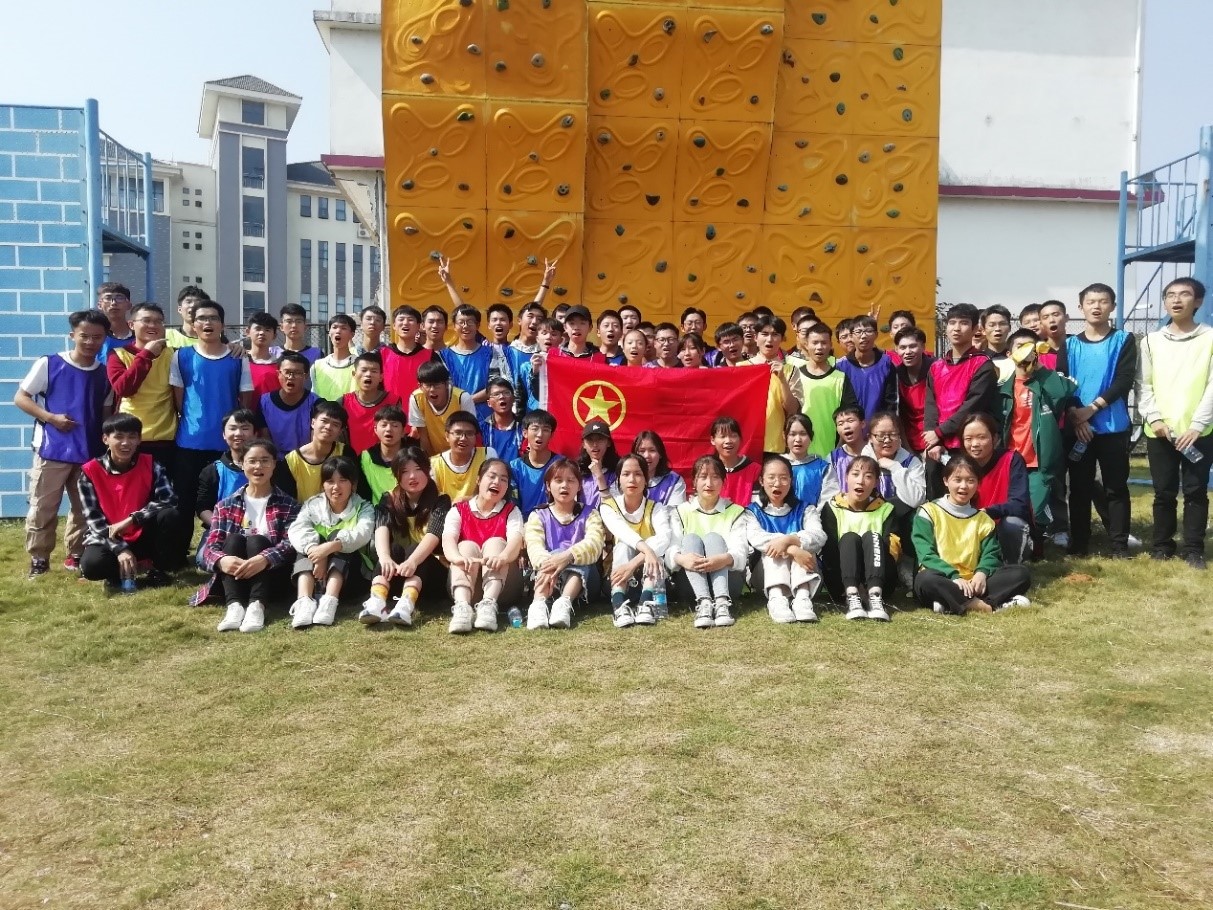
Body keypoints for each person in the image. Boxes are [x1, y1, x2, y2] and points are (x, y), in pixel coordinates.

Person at [17, 310, 113, 577]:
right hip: (52, 450)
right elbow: (21, 397)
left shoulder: (104, 373)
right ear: (73, 335)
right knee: (43, 507)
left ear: (105, 338)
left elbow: (106, 413)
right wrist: (51, 418)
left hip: (89, 452)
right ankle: (39, 558)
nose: (90, 342)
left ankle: (76, 554)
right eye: (85, 336)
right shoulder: (49, 363)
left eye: (97, 337)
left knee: (83, 508)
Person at [1138, 276, 1213, 568]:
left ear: (1198, 301)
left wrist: (1197, 425)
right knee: (1163, 493)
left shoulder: (1209, 338)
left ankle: (1193, 548)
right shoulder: (1151, 341)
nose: (1176, 300)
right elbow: (1143, 385)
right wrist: (1155, 419)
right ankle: (1162, 546)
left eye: (1184, 294)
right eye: (1170, 295)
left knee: (1196, 492)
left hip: (1198, 432)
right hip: (1160, 432)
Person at [170, 299, 254, 553]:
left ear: (222, 324)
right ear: (193, 324)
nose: (208, 323)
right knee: (185, 499)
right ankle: (178, 551)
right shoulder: (181, 356)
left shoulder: (238, 358)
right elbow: (178, 399)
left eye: (213, 318)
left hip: (225, 445)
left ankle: (224, 547)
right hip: (189, 442)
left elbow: (245, 400)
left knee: (227, 500)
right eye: (202, 318)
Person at [193, 438, 301, 631]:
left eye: (265, 460)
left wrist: (264, 559)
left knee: (257, 541)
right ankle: (234, 606)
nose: (258, 466)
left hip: (271, 578)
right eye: (252, 461)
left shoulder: (289, 504)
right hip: (235, 577)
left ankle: (257, 606)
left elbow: (290, 543)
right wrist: (222, 561)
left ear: (274, 464)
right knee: (234, 540)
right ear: (242, 464)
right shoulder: (225, 506)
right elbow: (211, 546)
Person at [1064, 283, 1136, 558]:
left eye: (1103, 301)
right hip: (1079, 428)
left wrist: (1092, 409)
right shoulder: (1069, 345)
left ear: (1112, 307)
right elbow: (1062, 383)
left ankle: (1119, 545)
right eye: (1091, 301)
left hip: (1113, 427)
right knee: (1079, 488)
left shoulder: (1123, 340)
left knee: (1115, 487)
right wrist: (1077, 417)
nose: (1096, 306)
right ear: (1081, 307)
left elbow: (1123, 380)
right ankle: (1080, 542)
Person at [911, 453, 1032, 615]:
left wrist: (981, 574)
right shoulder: (928, 512)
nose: (964, 486)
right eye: (957, 480)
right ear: (946, 481)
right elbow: (925, 554)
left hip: (974, 581)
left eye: (970, 480)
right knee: (925, 579)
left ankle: (951, 602)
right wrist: (954, 577)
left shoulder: (983, 519)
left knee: (1020, 574)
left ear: (977, 483)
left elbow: (991, 554)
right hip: (943, 577)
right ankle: (985, 604)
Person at [77, 414, 181, 591]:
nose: (126, 443)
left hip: (143, 532)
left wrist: (133, 519)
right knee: (92, 566)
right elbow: (95, 521)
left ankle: (156, 569)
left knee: (170, 515)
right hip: (108, 536)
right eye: (119, 437)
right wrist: (120, 548)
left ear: (139, 440)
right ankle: (119, 571)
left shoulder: (151, 464)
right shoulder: (89, 472)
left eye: (132, 437)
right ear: (105, 439)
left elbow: (169, 499)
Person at [359, 447, 451, 627]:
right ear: (397, 475)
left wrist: (413, 561)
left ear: (427, 471)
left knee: (415, 548)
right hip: (400, 572)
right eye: (405, 471)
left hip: (431, 574)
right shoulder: (389, 498)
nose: (412, 476)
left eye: (418, 469)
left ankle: (405, 606)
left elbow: (433, 535)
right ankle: (376, 602)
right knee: (391, 550)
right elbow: (381, 527)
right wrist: (384, 558)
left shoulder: (441, 500)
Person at [998, 329, 1074, 539]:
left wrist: (1038, 367)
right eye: (1020, 347)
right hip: (1011, 460)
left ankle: (1044, 529)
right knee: (1012, 508)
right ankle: (1025, 542)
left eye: (1030, 347)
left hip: (1038, 461)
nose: (1025, 352)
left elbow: (1063, 392)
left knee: (1035, 508)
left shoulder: (1045, 382)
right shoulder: (1002, 389)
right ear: (1009, 354)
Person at [286, 455, 375, 629]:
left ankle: (329, 601)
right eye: (330, 481)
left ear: (353, 484)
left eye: (343, 480)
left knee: (340, 538)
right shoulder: (312, 505)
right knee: (307, 542)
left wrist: (330, 547)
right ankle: (305, 601)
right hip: (316, 573)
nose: (336, 487)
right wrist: (316, 551)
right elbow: (297, 529)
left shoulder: (364, 507)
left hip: (352, 578)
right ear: (323, 485)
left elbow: (362, 534)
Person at [441, 458, 525, 633]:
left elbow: (515, 541)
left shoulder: (512, 511)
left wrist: (502, 557)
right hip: (466, 584)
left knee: (496, 543)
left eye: (503, 479)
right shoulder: (458, 510)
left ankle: (489, 606)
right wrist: (457, 558)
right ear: (479, 480)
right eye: (492, 476)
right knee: (465, 546)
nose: (497, 482)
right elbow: (448, 540)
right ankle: (462, 608)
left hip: (503, 588)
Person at [667, 454, 750, 629]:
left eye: (715, 477)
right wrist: (682, 559)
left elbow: (741, 552)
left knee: (713, 538)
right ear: (694, 482)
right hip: (691, 583)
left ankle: (721, 604)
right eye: (703, 477)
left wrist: (722, 559)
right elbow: (671, 549)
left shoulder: (736, 512)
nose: (709, 483)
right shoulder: (680, 512)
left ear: (723, 481)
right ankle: (703, 603)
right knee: (690, 539)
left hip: (728, 583)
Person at [924, 303, 999, 491]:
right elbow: (930, 406)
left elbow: (972, 406)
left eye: (964, 323)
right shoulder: (936, 367)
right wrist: (934, 440)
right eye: (952, 323)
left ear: (975, 329)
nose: (956, 328)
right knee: (936, 497)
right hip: (937, 446)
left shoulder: (982, 364)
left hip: (968, 443)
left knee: (968, 494)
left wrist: (939, 433)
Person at [524, 460, 606, 630]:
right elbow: (534, 547)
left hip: (585, 582)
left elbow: (595, 544)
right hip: (549, 579)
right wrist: (554, 562)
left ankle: (564, 604)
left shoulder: (591, 514)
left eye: (570, 480)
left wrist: (567, 556)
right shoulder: (538, 515)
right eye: (558, 480)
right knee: (557, 553)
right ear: (548, 486)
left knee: (578, 556)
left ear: (579, 486)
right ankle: (538, 605)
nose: (564, 486)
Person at [747, 454, 826, 623]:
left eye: (783, 478)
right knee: (772, 549)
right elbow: (756, 538)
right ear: (761, 481)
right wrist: (791, 547)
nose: (777, 483)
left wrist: (789, 541)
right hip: (764, 578)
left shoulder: (806, 509)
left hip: (807, 575)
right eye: (771, 477)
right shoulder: (752, 511)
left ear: (791, 481)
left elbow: (819, 536)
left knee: (806, 547)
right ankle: (777, 599)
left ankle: (803, 599)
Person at [820, 456, 898, 621]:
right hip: (841, 581)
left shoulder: (886, 509)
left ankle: (875, 597)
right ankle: (852, 596)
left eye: (868, 476)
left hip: (880, 577)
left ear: (876, 482)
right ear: (846, 477)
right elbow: (829, 551)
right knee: (849, 538)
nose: (860, 481)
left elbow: (892, 550)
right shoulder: (832, 507)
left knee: (872, 536)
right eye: (855, 474)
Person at [600, 453, 671, 627]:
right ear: (618, 480)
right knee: (623, 546)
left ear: (646, 480)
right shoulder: (608, 507)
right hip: (618, 575)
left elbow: (664, 538)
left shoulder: (657, 508)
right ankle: (619, 605)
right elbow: (623, 532)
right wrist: (647, 551)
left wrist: (635, 562)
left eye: (638, 474)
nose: (632, 479)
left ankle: (646, 603)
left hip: (651, 579)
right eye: (626, 474)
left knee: (655, 551)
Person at [107, 302, 177, 473]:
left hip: (165, 437)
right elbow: (124, 389)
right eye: (146, 320)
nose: (153, 325)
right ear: (131, 325)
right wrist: (146, 355)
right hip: (129, 437)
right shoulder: (118, 354)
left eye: (158, 321)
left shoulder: (174, 354)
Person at [960, 413, 1033, 565]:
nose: (974, 444)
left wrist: (987, 512)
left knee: (1011, 524)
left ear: (995, 438)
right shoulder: (959, 467)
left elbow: (1020, 505)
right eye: (968, 439)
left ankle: (1012, 566)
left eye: (981, 437)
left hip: (1005, 529)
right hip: (976, 531)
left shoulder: (1012, 460)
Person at [195, 408, 261, 564]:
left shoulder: (267, 467)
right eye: (232, 428)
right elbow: (203, 508)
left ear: (255, 433)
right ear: (224, 434)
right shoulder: (212, 470)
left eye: (245, 428)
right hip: (221, 530)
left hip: (260, 530)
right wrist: (223, 526)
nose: (238, 433)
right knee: (203, 559)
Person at [792, 321, 858, 458]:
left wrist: (839, 449)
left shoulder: (840, 378)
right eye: (815, 343)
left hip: (832, 454)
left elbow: (849, 414)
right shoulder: (795, 375)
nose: (819, 347)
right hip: (800, 455)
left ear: (830, 345)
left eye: (823, 343)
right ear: (806, 344)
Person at [745, 315, 801, 453]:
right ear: (755, 337)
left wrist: (782, 379)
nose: (769, 339)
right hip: (747, 442)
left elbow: (793, 410)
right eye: (764, 334)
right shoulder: (742, 368)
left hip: (777, 444)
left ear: (782, 339)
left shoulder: (790, 370)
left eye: (775, 334)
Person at [283, 400, 348, 502]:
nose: (328, 427)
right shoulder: (291, 461)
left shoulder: (345, 453)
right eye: (324, 421)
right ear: (313, 423)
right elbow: (287, 500)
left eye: (335, 424)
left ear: (340, 431)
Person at [407, 360, 476, 455]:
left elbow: (469, 434)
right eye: (428, 385)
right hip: (435, 457)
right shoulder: (416, 398)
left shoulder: (462, 398)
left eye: (437, 385)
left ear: (447, 384)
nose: (432, 389)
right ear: (420, 386)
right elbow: (423, 437)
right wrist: (431, 461)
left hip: (462, 454)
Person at [836, 314, 898, 420]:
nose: (863, 336)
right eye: (858, 332)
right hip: (851, 427)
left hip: (879, 426)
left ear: (876, 335)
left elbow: (891, 402)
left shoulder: (886, 364)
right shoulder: (841, 367)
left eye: (868, 331)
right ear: (851, 336)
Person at [440, 302, 496, 419]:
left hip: (485, 417)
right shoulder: (444, 355)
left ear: (478, 325)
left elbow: (495, 385)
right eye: (461, 322)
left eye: (470, 322)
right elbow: (443, 388)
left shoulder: (490, 353)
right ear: (454, 326)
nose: (465, 326)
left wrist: (468, 400)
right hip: (454, 415)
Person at [260, 353, 320, 457]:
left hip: (306, 459)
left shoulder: (316, 403)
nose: (291, 377)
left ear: (305, 376)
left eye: (297, 373)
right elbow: (265, 439)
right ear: (278, 374)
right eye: (287, 372)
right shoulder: (264, 402)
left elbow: (316, 442)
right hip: (275, 460)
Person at [341, 352, 401, 455]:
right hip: (352, 460)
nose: (368, 374)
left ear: (381, 377)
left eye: (374, 371)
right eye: (364, 370)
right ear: (354, 374)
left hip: (383, 460)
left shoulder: (393, 401)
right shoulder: (344, 402)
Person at [432, 410, 496, 502]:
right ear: (447, 436)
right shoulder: (434, 464)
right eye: (458, 433)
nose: (463, 438)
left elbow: (494, 491)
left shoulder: (487, 455)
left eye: (469, 433)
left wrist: (468, 501)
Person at [509, 409, 563, 518]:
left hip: (553, 522)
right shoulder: (515, 467)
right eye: (535, 429)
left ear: (552, 435)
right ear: (525, 433)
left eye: (546, 430)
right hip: (522, 523)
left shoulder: (561, 464)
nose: (540, 434)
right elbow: (512, 502)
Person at [380, 304, 438, 404]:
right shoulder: (382, 354)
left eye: (410, 320)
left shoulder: (430, 356)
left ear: (419, 326)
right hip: (389, 412)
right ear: (394, 326)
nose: (405, 323)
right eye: (401, 319)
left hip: (421, 411)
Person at [357, 405, 407, 507]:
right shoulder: (364, 458)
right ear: (375, 429)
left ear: (403, 431)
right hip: (376, 513)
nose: (389, 429)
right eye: (384, 425)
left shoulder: (413, 457)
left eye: (395, 425)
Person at [894, 326, 933, 455]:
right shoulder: (895, 374)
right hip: (908, 441)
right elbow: (899, 415)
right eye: (903, 347)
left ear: (923, 347)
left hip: (935, 438)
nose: (908, 352)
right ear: (896, 349)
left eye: (913, 346)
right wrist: (906, 448)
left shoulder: (936, 369)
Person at [818, 405, 868, 502]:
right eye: (840, 423)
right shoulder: (833, 458)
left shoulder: (876, 452)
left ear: (862, 423)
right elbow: (828, 492)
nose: (846, 426)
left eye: (850, 421)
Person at [711, 415, 760, 506]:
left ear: (740, 439)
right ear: (713, 440)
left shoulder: (755, 470)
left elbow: (757, 506)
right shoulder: (708, 469)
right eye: (722, 436)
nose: (728, 441)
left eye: (733, 436)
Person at [783, 413, 829, 507]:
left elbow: (828, 499)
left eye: (803, 434)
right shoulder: (775, 466)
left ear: (811, 436)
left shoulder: (823, 468)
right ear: (785, 436)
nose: (798, 439)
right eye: (792, 434)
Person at [310, 314, 358, 401]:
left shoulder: (359, 365)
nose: (338, 331)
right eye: (334, 327)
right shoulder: (317, 366)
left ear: (352, 334)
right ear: (329, 333)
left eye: (343, 328)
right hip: (322, 409)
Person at [633, 430, 687, 505]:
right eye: (642, 451)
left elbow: (675, 511)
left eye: (652, 450)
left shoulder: (674, 480)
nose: (647, 456)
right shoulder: (626, 478)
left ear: (660, 454)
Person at [578, 417, 620, 510]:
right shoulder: (577, 471)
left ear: (608, 443)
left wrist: (600, 477)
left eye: (600, 439)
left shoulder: (619, 472)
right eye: (590, 440)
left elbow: (615, 507)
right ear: (584, 444)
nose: (595, 444)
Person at [479, 378, 523, 460]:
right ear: (489, 403)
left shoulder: (524, 428)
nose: (502, 397)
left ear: (513, 399)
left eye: (506, 393)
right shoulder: (480, 429)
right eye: (496, 394)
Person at [245, 311, 281, 402]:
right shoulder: (239, 361)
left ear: (274, 336)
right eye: (258, 328)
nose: (262, 332)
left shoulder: (280, 366)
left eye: (267, 330)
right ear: (248, 332)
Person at [96, 283, 135, 360]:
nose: (113, 303)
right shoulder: (93, 337)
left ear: (129, 305)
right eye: (108, 298)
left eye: (120, 298)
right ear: (99, 305)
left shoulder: (139, 335)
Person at [980, 305, 1015, 384]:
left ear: (1009, 328)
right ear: (983, 330)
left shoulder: (1017, 358)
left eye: (1002, 324)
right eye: (992, 325)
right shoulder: (978, 361)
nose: (998, 329)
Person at [1036, 300, 1069, 375]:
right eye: (1045, 317)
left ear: (1066, 317)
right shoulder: (1036, 353)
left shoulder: (1079, 346)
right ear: (1041, 324)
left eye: (1056, 315)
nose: (1051, 320)